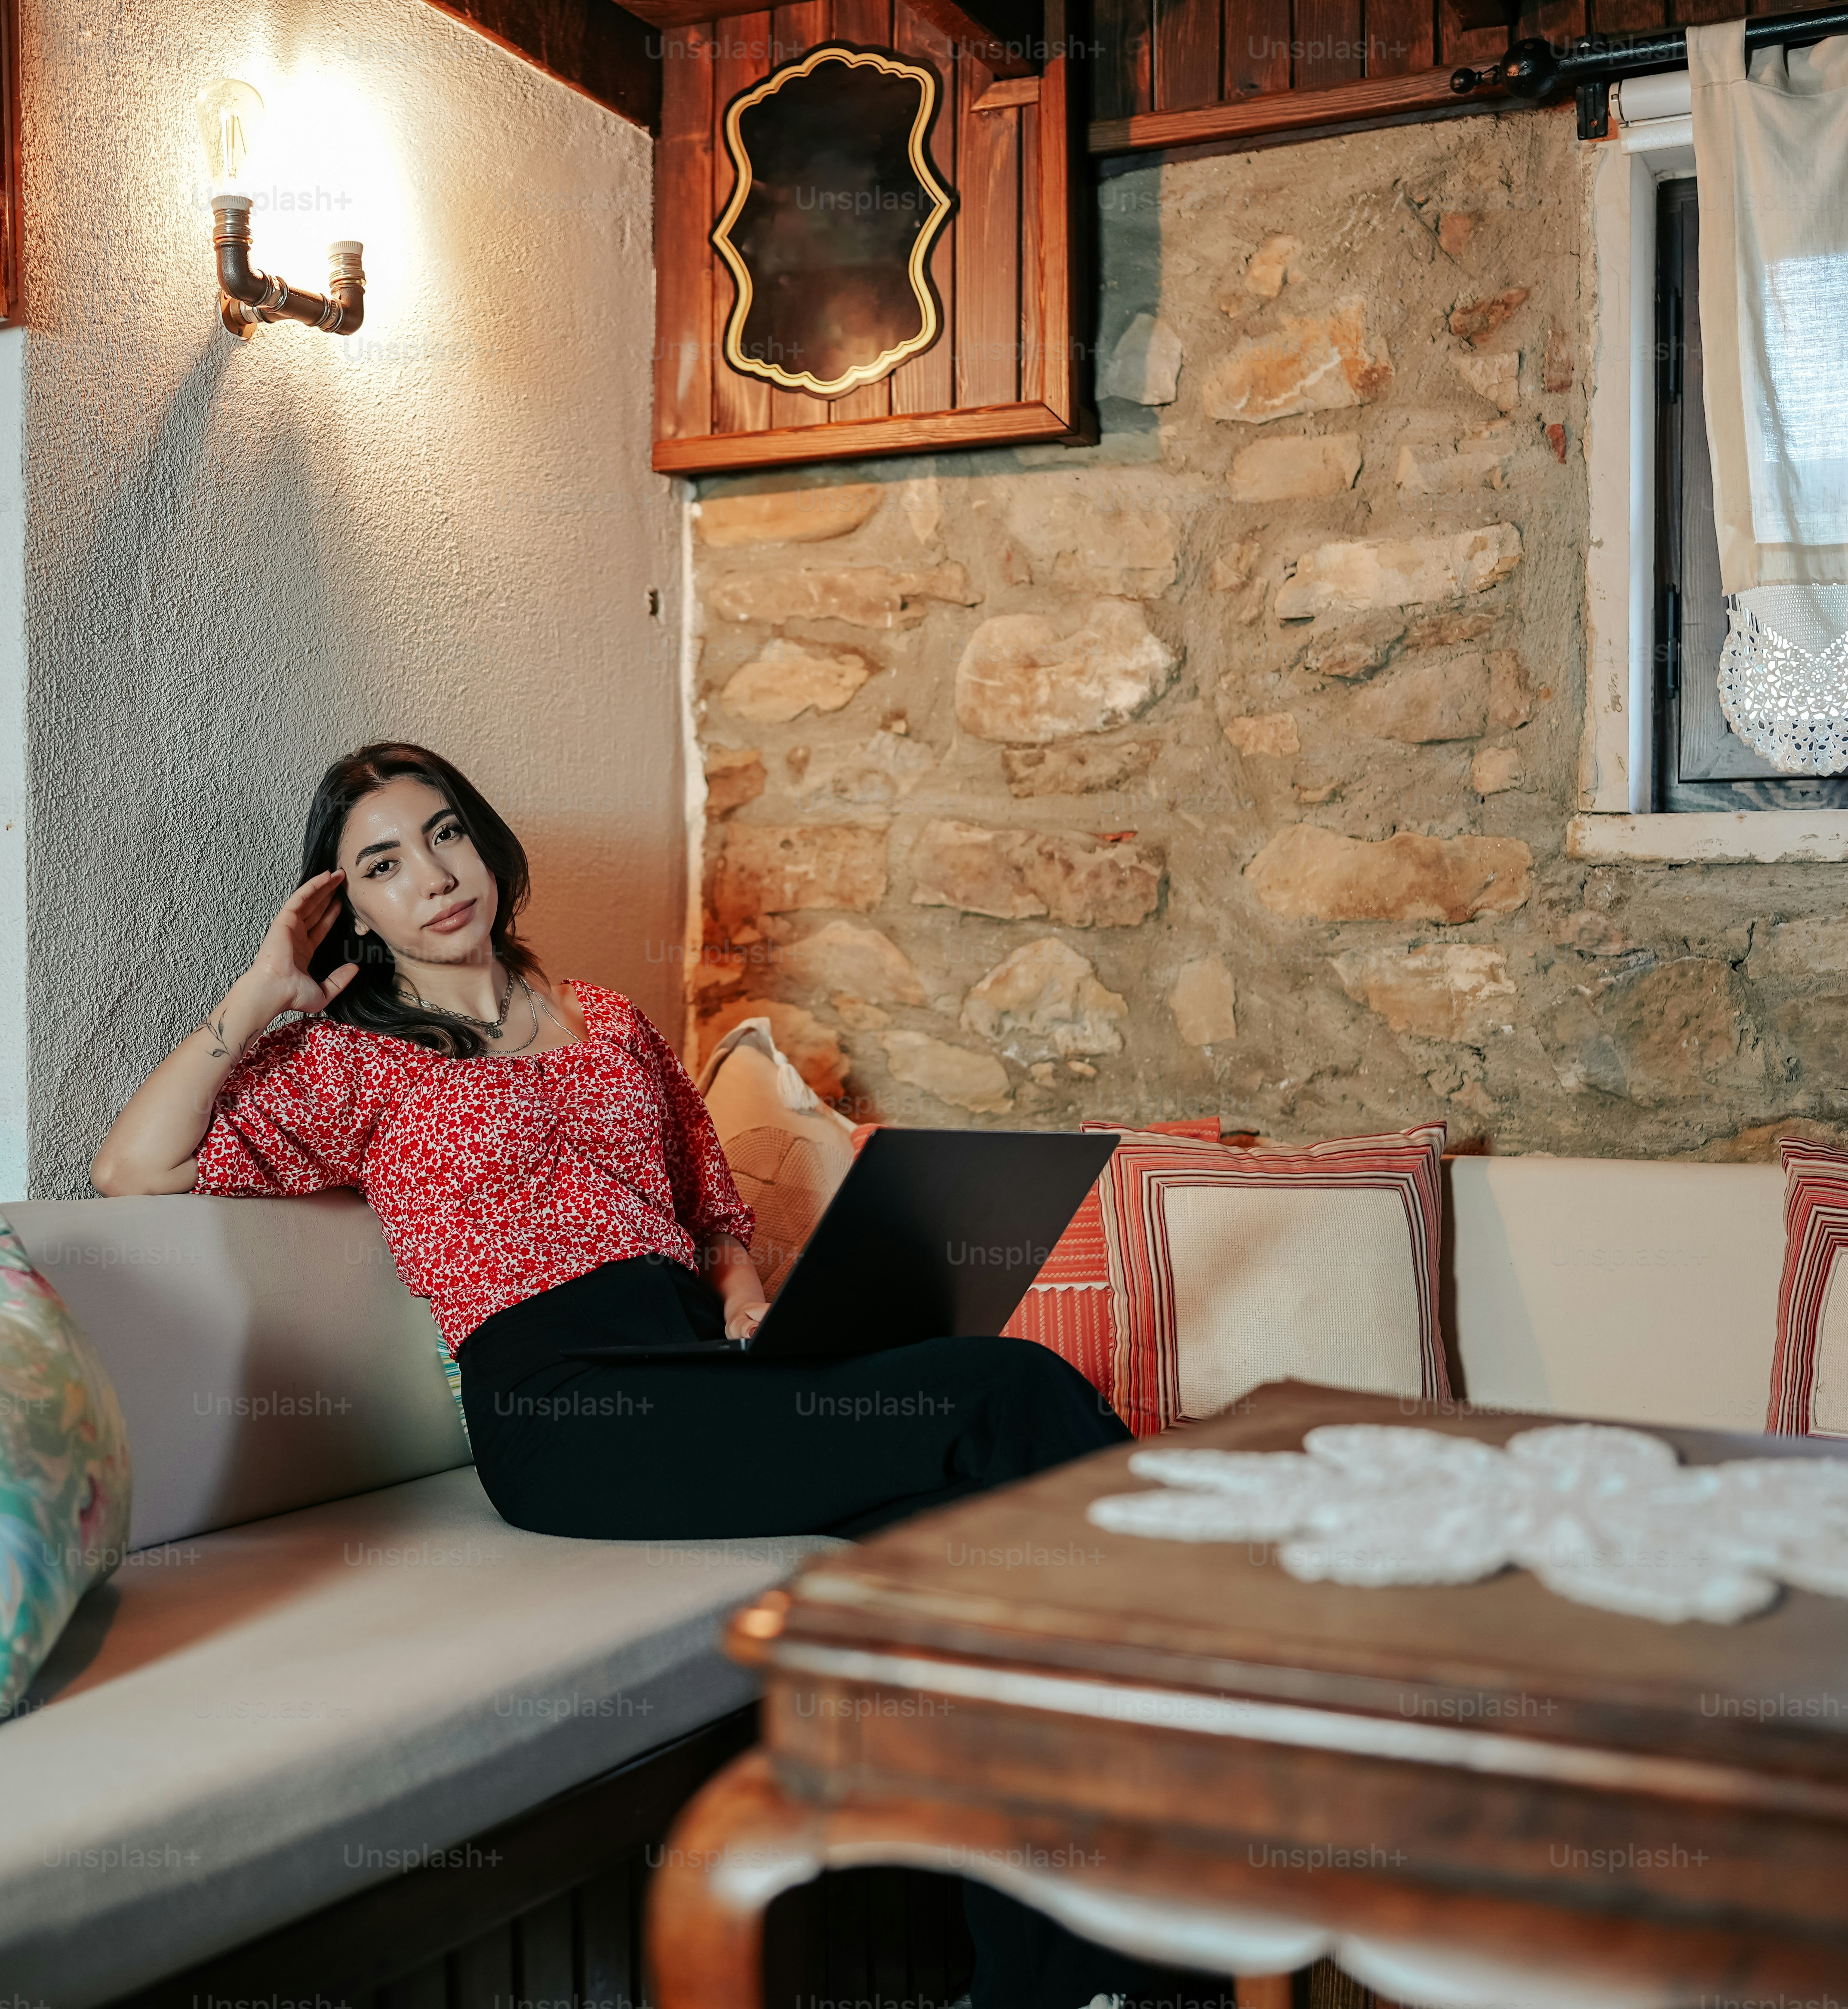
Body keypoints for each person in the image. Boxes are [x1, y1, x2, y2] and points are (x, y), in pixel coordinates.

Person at [92, 740, 1221, 2007]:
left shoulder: (616, 1021)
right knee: (1009, 1387)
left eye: (448, 835)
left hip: (699, 1373)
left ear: (489, 845)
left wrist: (742, 1293)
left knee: (969, 1552)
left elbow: (707, 1203)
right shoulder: (355, 1065)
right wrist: (258, 995)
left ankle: (1067, 1975)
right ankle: (1223, 1729)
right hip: (565, 1407)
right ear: (350, 908)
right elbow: (133, 1169)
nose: (435, 879)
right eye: (385, 866)